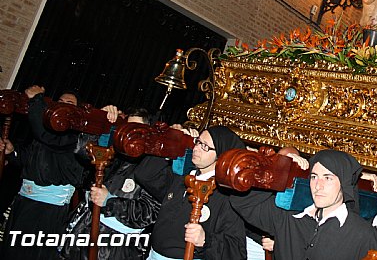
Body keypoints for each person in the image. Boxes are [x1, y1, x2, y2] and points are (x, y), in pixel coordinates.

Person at [0, 85, 118, 260]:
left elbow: (47, 138)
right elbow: (35, 159)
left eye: (69, 104)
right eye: (60, 102)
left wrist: (36, 99)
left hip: (48, 209)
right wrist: (13, 151)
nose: (62, 107)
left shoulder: (76, 137)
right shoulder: (50, 133)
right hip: (23, 201)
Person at [230, 148, 377, 260]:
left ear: (344, 184)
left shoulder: (362, 233)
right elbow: (241, 201)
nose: (318, 185)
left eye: (327, 178)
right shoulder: (289, 217)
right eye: (313, 177)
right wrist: (281, 168)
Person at [60, 107, 161, 260]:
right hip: (84, 231)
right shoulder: (114, 153)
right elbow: (83, 150)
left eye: (135, 130)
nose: (129, 135)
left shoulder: (154, 166)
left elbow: (149, 213)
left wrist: (110, 201)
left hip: (114, 246)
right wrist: (102, 121)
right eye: (126, 128)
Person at [134, 124, 247, 260]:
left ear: (221, 156)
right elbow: (145, 175)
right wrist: (170, 143)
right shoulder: (182, 179)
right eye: (198, 142)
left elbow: (236, 250)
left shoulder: (225, 196)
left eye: (205, 146)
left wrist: (205, 240)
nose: (196, 148)